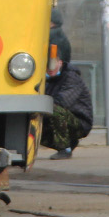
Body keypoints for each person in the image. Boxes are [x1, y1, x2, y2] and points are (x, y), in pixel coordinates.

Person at [42, 25, 93, 160]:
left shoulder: (71, 77)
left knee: (54, 110)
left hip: (79, 121)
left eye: (52, 65)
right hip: (60, 117)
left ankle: (65, 148)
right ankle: (68, 143)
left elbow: (63, 102)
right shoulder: (46, 79)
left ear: (60, 62)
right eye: (46, 66)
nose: (50, 69)